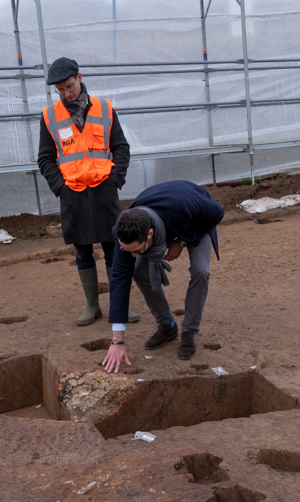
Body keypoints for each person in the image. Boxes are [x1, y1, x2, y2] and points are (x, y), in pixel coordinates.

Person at [38, 56, 138, 326]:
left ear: (79, 78)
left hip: (104, 190)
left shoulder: (105, 108)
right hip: (73, 193)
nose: (66, 93)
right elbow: (45, 158)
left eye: (69, 86)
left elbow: (121, 147)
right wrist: (60, 187)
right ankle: (92, 306)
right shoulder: (49, 116)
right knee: (83, 253)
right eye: (60, 90)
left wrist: (115, 180)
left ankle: (120, 306)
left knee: (114, 249)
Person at [101, 180, 224, 372]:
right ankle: (167, 324)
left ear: (150, 234)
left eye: (137, 251)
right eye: (128, 251)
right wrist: (117, 341)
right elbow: (119, 281)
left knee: (201, 271)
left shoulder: (184, 205)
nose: (132, 255)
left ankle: (189, 331)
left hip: (194, 221)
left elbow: (217, 213)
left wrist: (181, 242)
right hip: (160, 222)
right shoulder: (124, 232)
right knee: (138, 271)